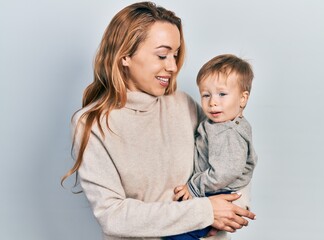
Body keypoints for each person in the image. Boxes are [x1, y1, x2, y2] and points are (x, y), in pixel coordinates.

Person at [61, 2, 255, 240]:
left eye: (175, 55)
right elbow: (113, 215)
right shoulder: (92, 123)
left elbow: (233, 156)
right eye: (162, 55)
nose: (173, 67)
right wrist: (205, 211)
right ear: (125, 56)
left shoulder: (183, 104)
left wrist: (235, 207)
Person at [168, 54, 258, 240]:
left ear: (243, 98)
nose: (213, 102)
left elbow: (224, 172)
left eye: (222, 94)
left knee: (177, 230)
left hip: (223, 191)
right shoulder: (222, 123)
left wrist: (192, 187)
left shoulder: (227, 131)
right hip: (222, 189)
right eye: (206, 95)